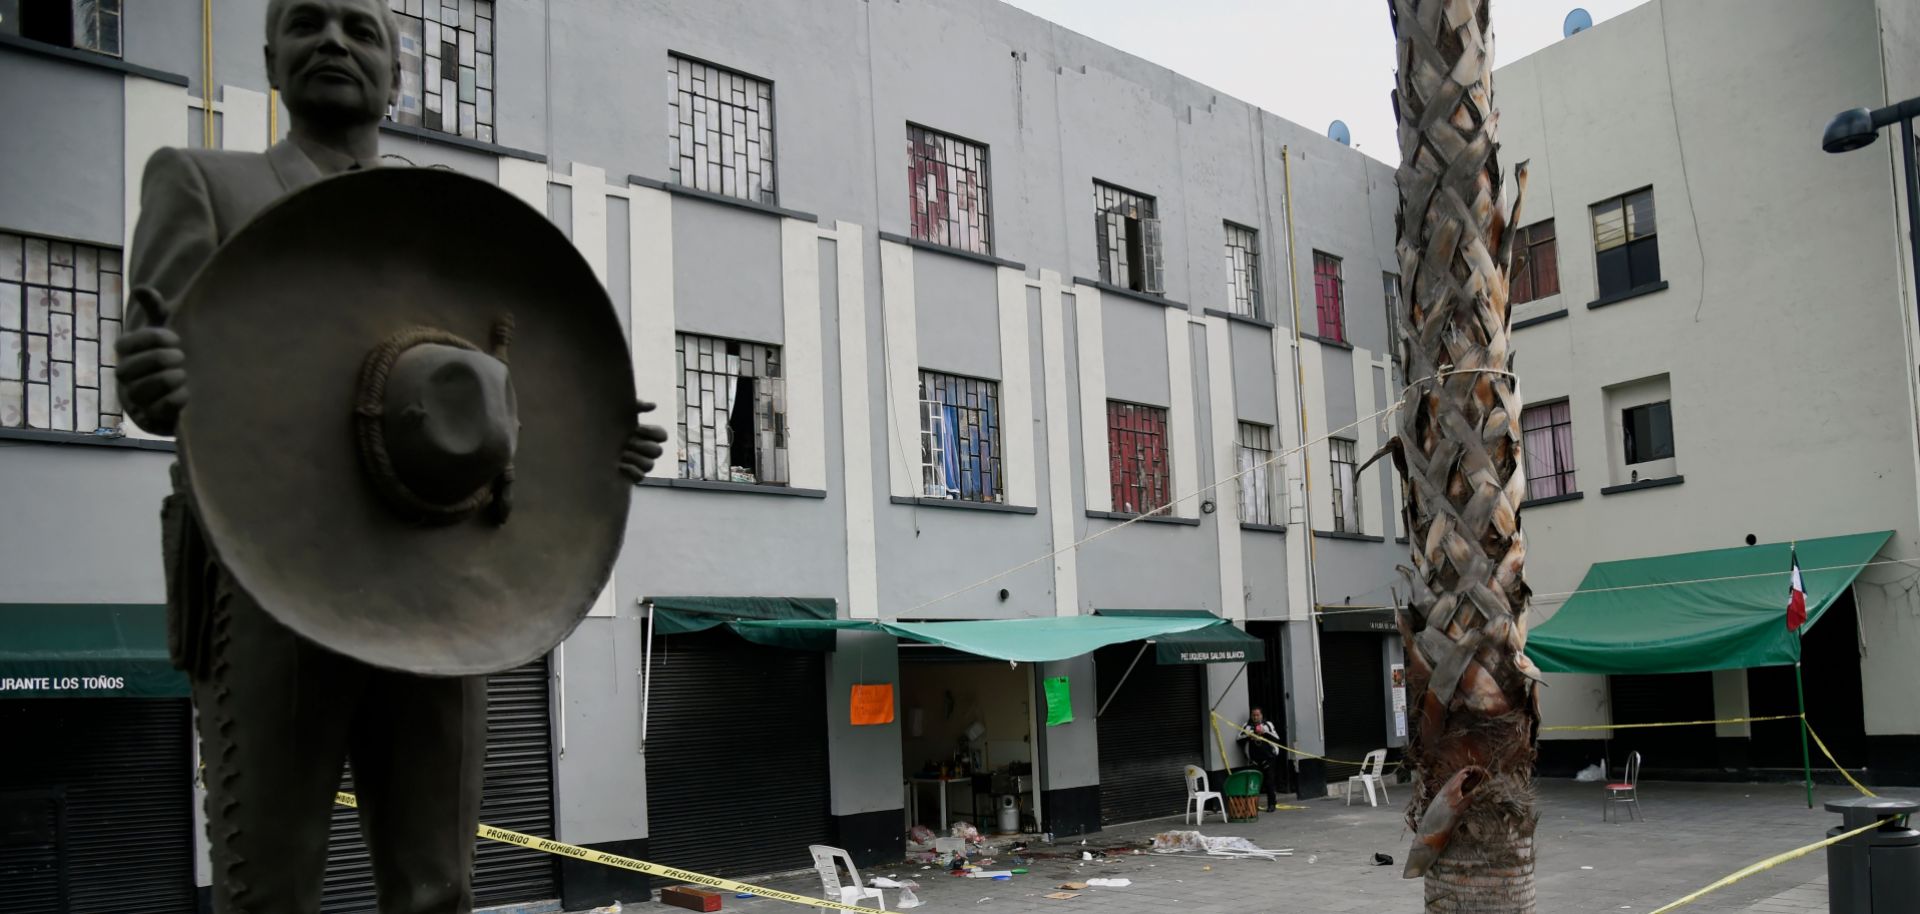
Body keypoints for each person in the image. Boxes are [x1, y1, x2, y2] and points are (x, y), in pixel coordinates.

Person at [112, 2, 667, 910]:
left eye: (362, 31)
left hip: (441, 587)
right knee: (270, 883)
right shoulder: (205, 184)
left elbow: (502, 404)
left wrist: (591, 451)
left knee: (437, 882)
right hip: (269, 577)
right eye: (308, 23)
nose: (333, 42)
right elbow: (164, 377)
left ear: (396, 76)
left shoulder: (447, 228)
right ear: (270, 56)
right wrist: (146, 380)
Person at [1239, 706, 1285, 812]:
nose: (1255, 717)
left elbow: (1277, 739)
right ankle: (1253, 806)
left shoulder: (1268, 725)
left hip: (1268, 759)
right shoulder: (1247, 726)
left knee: (1269, 782)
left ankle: (1272, 804)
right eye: (1253, 715)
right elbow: (1238, 739)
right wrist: (1249, 735)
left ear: (1261, 715)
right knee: (1254, 783)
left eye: (1257, 715)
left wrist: (1264, 732)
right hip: (1254, 760)